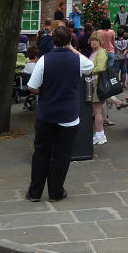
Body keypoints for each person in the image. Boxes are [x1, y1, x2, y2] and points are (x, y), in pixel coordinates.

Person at [27, 24, 94, 202]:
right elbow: (90, 66)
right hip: (68, 114)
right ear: (69, 41)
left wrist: (44, 92)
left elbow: (32, 87)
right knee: (62, 155)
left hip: (46, 112)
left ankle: (34, 192)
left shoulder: (43, 60)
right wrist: (72, 48)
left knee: (41, 152)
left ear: (52, 41)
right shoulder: (77, 60)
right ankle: (55, 192)